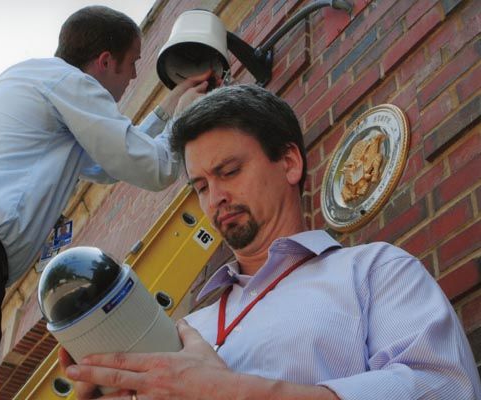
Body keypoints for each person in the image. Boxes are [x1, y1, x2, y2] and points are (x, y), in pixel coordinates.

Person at [59, 84, 481, 399]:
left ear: (289, 162)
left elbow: (444, 387)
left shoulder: (374, 270)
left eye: (228, 171)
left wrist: (233, 392)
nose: (215, 198)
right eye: (201, 186)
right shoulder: (187, 329)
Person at [0, 6, 211, 400]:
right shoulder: (70, 82)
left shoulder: (40, 82)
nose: (136, 77)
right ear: (105, 61)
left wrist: (164, 110)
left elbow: (106, 167)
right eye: (133, 62)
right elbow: (153, 168)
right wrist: (183, 119)